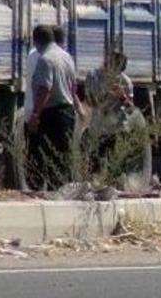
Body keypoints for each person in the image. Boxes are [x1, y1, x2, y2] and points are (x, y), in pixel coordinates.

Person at [28, 25, 81, 189]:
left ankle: (50, 190)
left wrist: (35, 115)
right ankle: (61, 189)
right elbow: (73, 87)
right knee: (62, 155)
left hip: (52, 114)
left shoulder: (45, 59)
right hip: (67, 112)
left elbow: (45, 89)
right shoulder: (67, 57)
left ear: (37, 41)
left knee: (44, 154)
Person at [85, 52, 144, 173]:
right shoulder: (93, 76)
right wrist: (107, 94)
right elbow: (90, 102)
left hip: (118, 128)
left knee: (117, 167)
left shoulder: (125, 81)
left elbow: (131, 110)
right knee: (96, 167)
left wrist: (123, 97)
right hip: (98, 129)